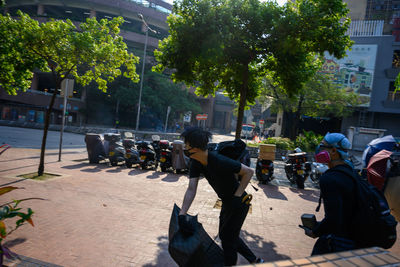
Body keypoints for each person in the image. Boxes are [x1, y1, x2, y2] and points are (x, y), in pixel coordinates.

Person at [178, 127, 263, 265]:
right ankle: (255, 260)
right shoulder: (196, 163)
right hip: (227, 201)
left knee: (228, 240)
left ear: (196, 147)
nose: (184, 148)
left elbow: (248, 172)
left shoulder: (218, 160)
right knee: (226, 235)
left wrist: (237, 197)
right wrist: (182, 214)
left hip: (239, 203)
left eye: (186, 145)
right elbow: (191, 189)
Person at [300, 132, 358, 255]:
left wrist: (315, 232)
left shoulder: (330, 179)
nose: (319, 150)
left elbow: (333, 218)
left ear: (333, 151)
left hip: (339, 241)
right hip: (356, 239)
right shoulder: (351, 173)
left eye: (323, 146)